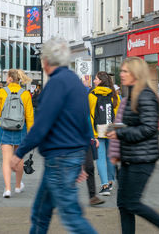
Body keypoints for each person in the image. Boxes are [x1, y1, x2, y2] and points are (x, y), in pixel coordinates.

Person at [10, 37, 97, 233]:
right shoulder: (75, 82)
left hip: (60, 159)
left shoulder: (56, 84)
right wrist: (84, 158)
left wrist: (19, 153)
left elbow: (42, 126)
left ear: (46, 61)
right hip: (66, 158)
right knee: (41, 212)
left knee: (72, 217)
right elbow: (85, 124)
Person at [107, 57, 159, 234]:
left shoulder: (145, 95)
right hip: (130, 157)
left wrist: (120, 133)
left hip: (143, 158)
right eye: (122, 71)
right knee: (123, 204)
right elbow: (132, 124)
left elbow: (149, 128)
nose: (122, 74)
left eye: (126, 71)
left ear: (136, 73)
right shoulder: (132, 94)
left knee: (132, 202)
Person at [0, 69, 34, 198]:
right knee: (19, 158)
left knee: (6, 160)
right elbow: (29, 115)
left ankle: (7, 189)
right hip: (20, 127)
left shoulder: (2, 92)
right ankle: (17, 186)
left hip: (5, 127)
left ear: (10, 78)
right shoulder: (25, 94)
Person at [90, 71, 120, 196]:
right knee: (110, 156)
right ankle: (111, 181)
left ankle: (104, 185)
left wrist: (92, 134)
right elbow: (118, 116)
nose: (94, 81)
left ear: (101, 81)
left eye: (96, 79)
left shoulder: (92, 95)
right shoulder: (115, 96)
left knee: (100, 157)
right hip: (112, 129)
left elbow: (90, 115)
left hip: (98, 129)